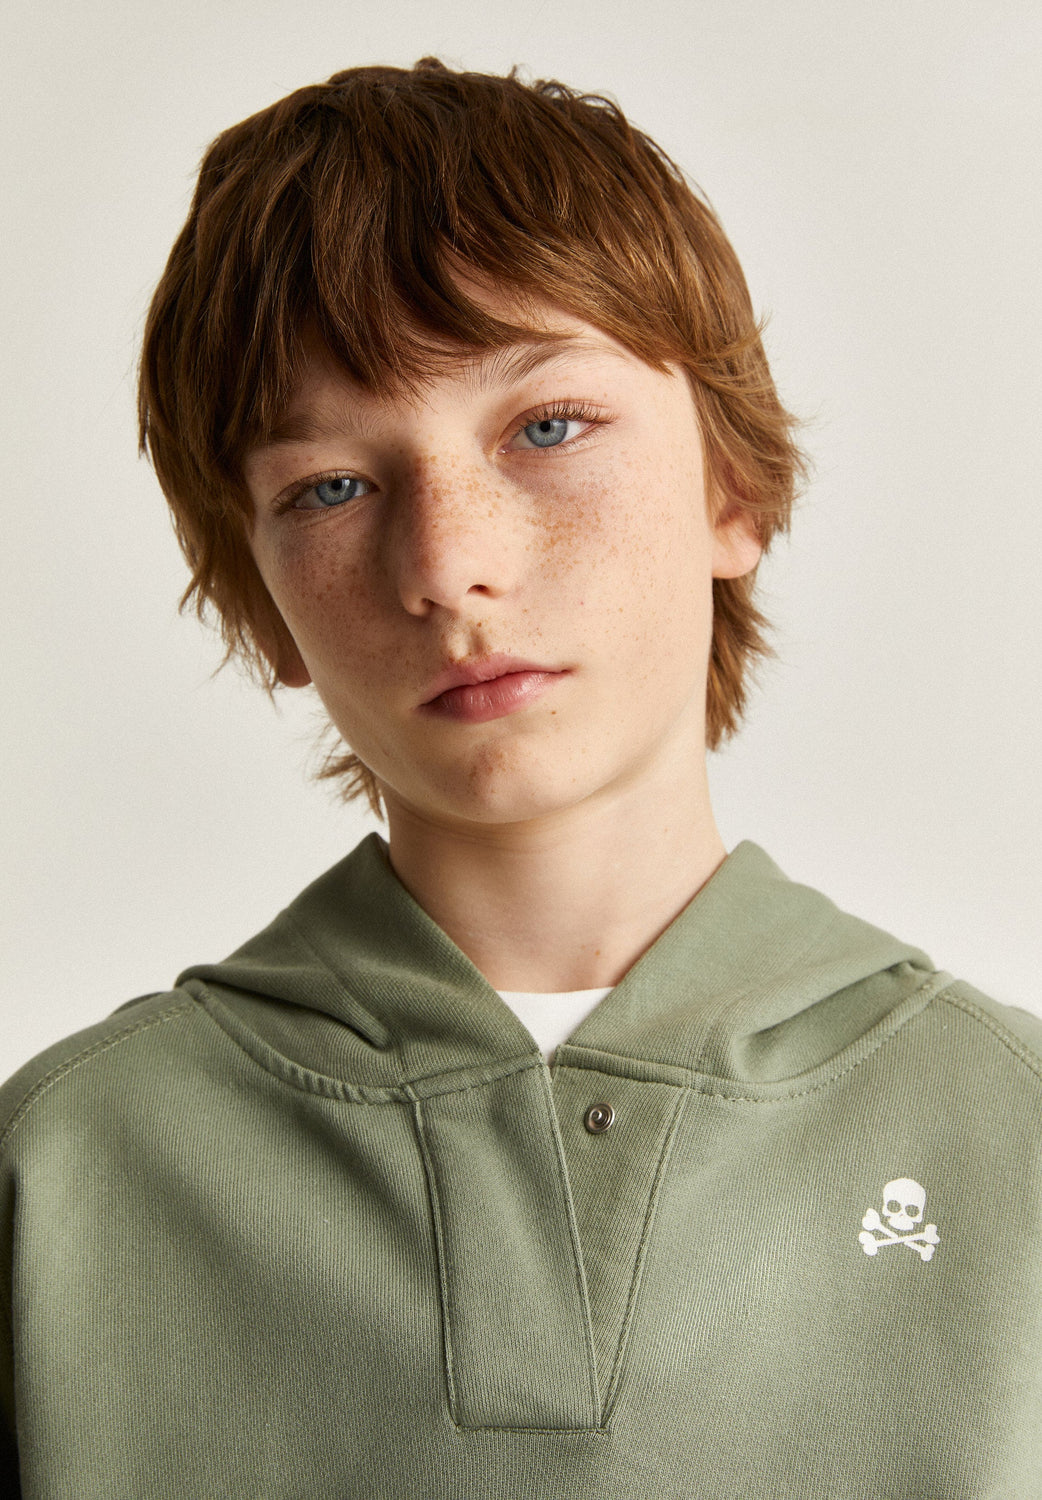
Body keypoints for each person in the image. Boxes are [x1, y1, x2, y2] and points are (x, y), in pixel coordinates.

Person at [1, 56, 1039, 1499]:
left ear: (732, 484)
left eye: (547, 427)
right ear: (261, 605)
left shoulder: (1013, 1128)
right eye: (331, 487)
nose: (448, 564)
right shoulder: (64, 1168)